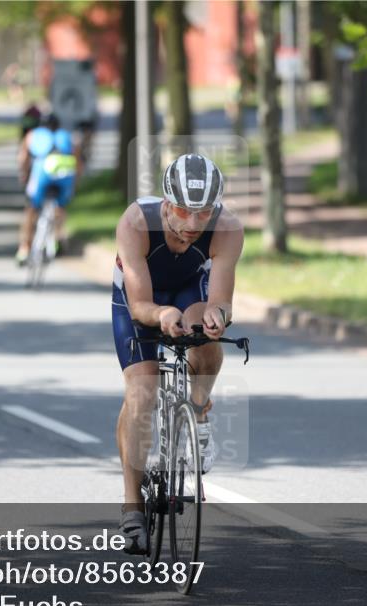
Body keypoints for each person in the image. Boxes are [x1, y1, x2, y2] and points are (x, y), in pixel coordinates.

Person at [111, 154, 243, 555]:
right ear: (167, 204)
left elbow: (220, 300)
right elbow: (140, 306)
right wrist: (161, 315)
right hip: (139, 298)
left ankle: (199, 414)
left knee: (206, 335)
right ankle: (132, 508)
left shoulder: (227, 228)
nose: (193, 222)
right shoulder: (136, 222)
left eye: (203, 213)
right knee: (142, 391)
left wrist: (218, 316)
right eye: (184, 210)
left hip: (188, 291)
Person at [15, 113, 77, 265]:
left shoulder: (33, 135)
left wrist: (24, 175)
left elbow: (23, 158)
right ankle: (57, 238)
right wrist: (75, 182)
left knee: (31, 208)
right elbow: (78, 161)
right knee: (60, 207)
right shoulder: (67, 136)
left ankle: (24, 248)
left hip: (42, 171)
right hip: (65, 173)